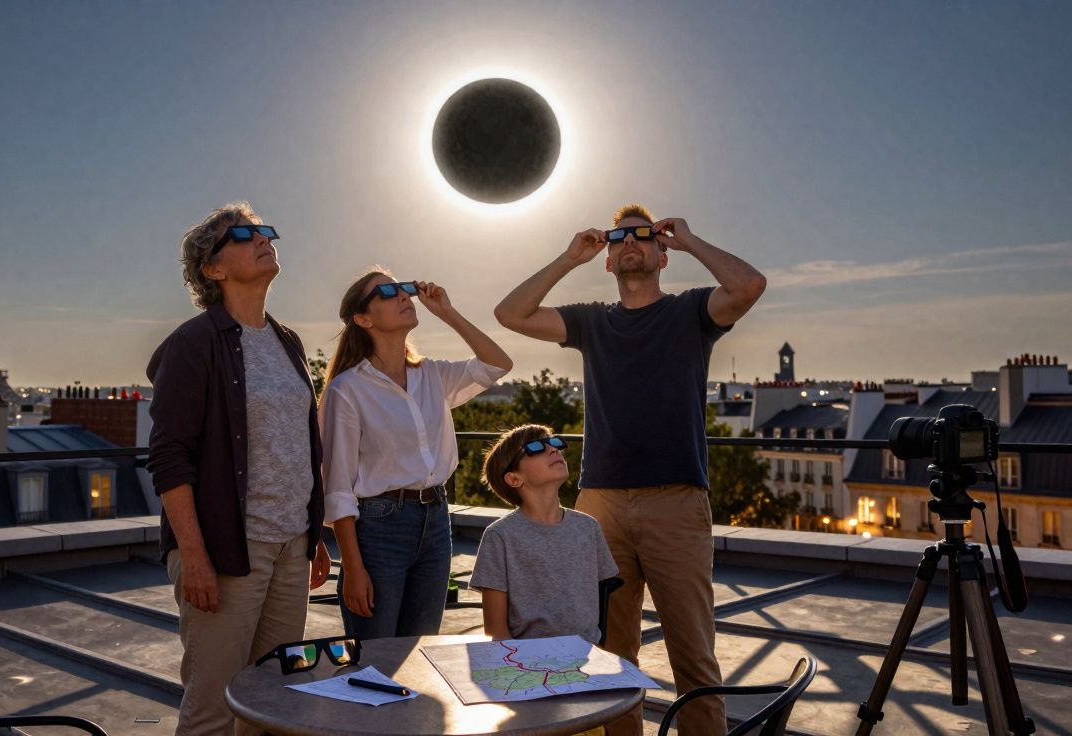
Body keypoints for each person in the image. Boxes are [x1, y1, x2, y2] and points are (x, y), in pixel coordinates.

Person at [494, 204, 766, 735]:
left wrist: (691, 238)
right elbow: (511, 313)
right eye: (619, 238)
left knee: (694, 659)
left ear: (663, 255)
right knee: (611, 657)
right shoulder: (592, 321)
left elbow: (749, 284)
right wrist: (568, 259)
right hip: (600, 506)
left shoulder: (691, 311)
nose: (629, 244)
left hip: (676, 502)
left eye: (643, 237)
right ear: (608, 259)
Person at [147, 201, 331, 736]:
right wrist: (195, 556)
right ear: (213, 269)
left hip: (289, 548)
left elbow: (299, 446)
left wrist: (311, 535)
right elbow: (169, 457)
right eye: (244, 235)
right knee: (213, 709)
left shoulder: (287, 341)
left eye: (264, 231)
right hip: (228, 551)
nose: (262, 238)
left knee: (272, 704)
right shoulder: (194, 342)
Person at [321, 269, 512, 640]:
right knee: (375, 660)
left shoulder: (432, 375)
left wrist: (448, 313)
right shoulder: (348, 390)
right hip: (378, 529)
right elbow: (338, 487)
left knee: (421, 652)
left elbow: (497, 364)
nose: (403, 296)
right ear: (363, 318)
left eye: (404, 289)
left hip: (436, 521)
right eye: (388, 292)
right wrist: (353, 569)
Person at [470, 424, 618, 644]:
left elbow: (603, 605)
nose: (553, 449)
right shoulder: (500, 536)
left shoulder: (588, 528)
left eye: (554, 442)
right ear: (513, 479)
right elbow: (496, 631)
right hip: (528, 662)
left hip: (587, 659)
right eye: (536, 446)